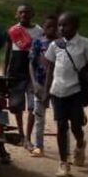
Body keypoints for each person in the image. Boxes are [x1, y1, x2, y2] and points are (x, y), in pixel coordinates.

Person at [41, 12, 88, 177]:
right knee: (61, 126)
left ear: (75, 27)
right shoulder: (55, 45)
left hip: (76, 91)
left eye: (65, 25)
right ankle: (63, 163)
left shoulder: (85, 44)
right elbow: (50, 69)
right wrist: (46, 93)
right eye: (59, 25)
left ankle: (80, 144)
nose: (61, 28)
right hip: (57, 91)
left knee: (75, 125)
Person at [4, 4, 43, 146]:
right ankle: (21, 134)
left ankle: (28, 136)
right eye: (20, 12)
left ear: (33, 14)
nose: (23, 15)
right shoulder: (12, 31)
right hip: (16, 73)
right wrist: (5, 74)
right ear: (16, 15)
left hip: (33, 75)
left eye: (27, 12)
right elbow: (7, 54)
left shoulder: (39, 31)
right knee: (16, 106)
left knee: (33, 106)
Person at [27, 14, 58, 156]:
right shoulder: (38, 43)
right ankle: (39, 146)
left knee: (60, 119)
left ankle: (65, 149)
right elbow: (31, 64)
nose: (51, 29)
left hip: (57, 85)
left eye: (54, 26)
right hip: (39, 84)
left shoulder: (60, 44)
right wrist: (34, 83)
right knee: (39, 118)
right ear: (43, 28)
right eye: (48, 26)